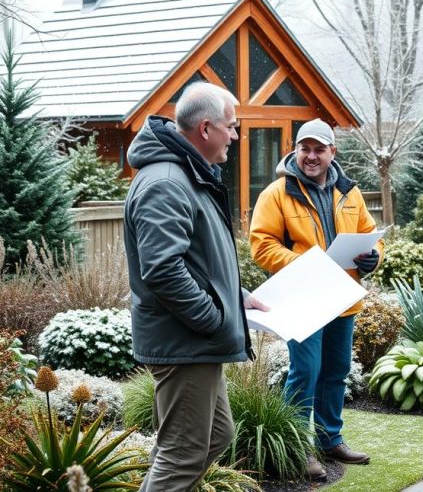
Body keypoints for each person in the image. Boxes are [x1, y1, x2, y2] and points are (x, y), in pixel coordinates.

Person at [124, 82, 269, 490]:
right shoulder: (167, 183)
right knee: (183, 452)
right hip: (184, 342)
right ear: (206, 129)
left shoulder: (189, 175)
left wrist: (234, 298)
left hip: (195, 340)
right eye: (232, 126)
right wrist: (214, 318)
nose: (236, 136)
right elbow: (163, 270)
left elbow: (195, 260)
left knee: (216, 435)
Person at [249, 118, 382, 480]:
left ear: (331, 152)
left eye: (318, 149)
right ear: (294, 150)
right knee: (305, 371)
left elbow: (370, 234)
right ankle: (297, 446)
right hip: (303, 298)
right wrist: (307, 265)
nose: (311, 156)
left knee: (336, 370)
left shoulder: (349, 192)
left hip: (341, 297)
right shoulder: (277, 193)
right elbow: (262, 245)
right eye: (304, 149)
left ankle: (329, 439)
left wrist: (374, 255)